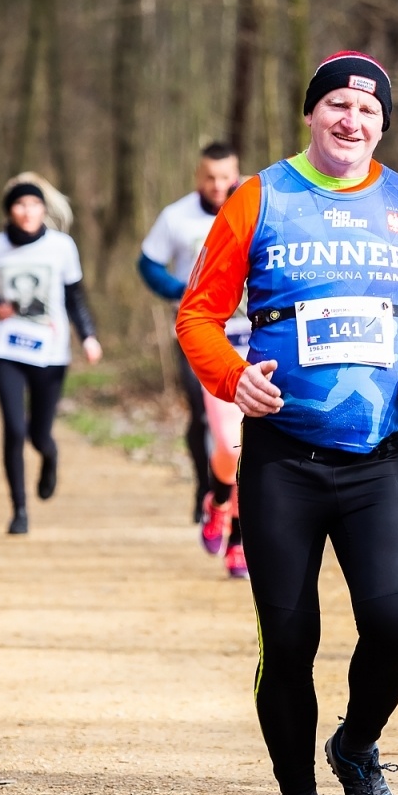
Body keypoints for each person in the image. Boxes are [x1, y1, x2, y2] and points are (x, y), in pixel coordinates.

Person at [177, 51, 398, 795]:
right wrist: (235, 379)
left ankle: (356, 747)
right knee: (290, 636)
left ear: (383, 122)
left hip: (376, 458)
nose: (353, 120)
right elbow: (197, 317)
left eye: (368, 110)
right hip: (281, 460)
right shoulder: (259, 197)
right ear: (311, 113)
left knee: (397, 620)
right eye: (337, 104)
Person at [0, 179, 101, 535]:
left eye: (34, 205)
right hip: (7, 348)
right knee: (13, 429)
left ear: (44, 209)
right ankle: (20, 510)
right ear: (9, 211)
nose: (28, 212)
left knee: (38, 435)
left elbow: (75, 296)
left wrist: (88, 336)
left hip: (51, 351)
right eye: (20, 205)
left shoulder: (61, 247)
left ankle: (49, 455)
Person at [137, 141, 246, 569]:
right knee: (217, 432)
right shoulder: (177, 217)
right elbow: (147, 264)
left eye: (226, 178)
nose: (219, 186)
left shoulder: (261, 206)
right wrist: (182, 293)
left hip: (257, 341)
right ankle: (213, 492)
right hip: (201, 335)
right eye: (210, 178)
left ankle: (238, 534)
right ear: (198, 177)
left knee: (253, 441)